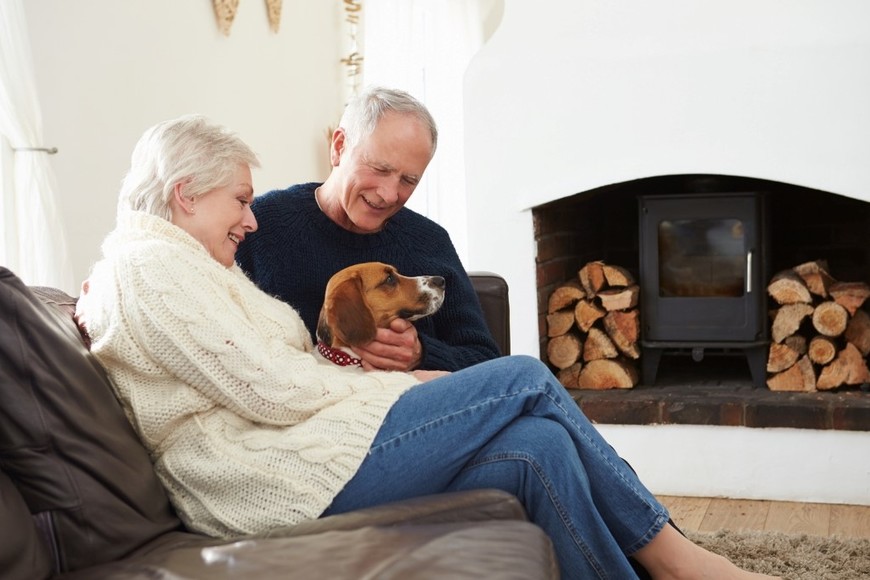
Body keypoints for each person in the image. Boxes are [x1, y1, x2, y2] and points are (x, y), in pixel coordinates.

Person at [76, 115, 777, 580]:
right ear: (185, 195)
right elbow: (272, 390)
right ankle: (681, 559)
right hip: (269, 481)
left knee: (540, 447)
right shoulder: (149, 270)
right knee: (525, 376)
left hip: (308, 451)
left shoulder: (177, 267)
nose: (250, 220)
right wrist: (402, 387)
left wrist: (411, 372)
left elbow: (283, 370)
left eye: (408, 179)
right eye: (238, 201)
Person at [235, 86, 499, 373]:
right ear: (338, 147)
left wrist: (421, 354)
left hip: (422, 408)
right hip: (305, 408)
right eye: (379, 168)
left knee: (527, 375)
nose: (388, 194)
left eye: (408, 180)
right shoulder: (258, 226)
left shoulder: (430, 241)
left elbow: (486, 361)